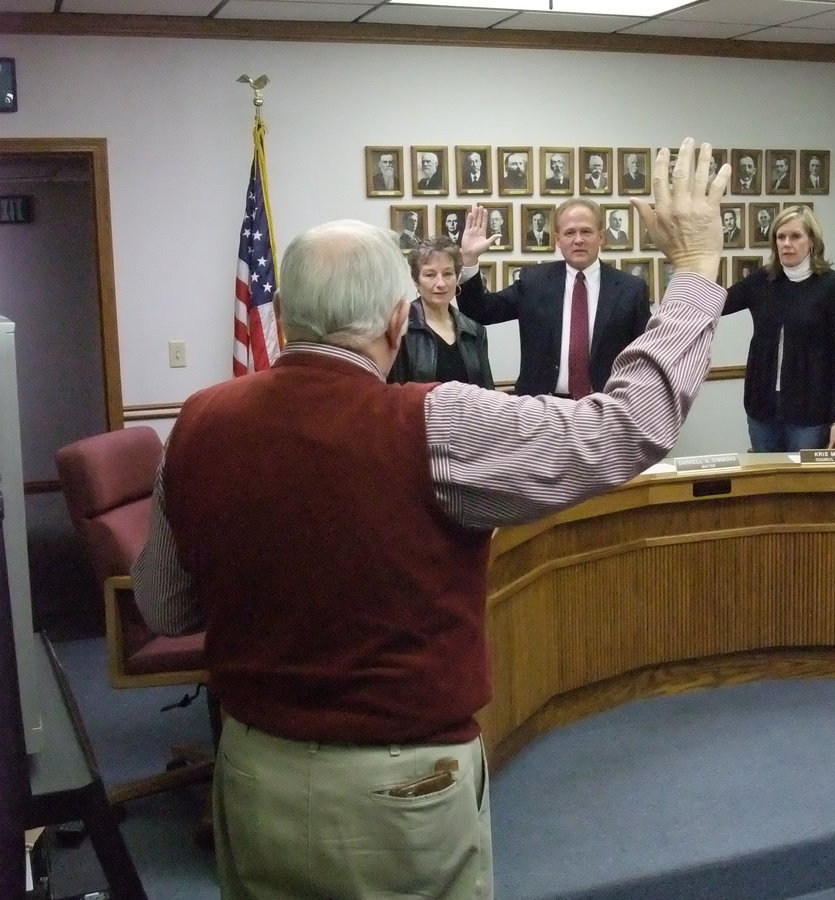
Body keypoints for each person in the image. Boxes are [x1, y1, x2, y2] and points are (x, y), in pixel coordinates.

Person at [132, 137, 730, 900]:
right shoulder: (437, 425)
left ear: (283, 314)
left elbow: (164, 605)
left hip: (252, 772)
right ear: (397, 320)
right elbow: (628, 427)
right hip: (400, 791)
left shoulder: (196, 422)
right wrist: (697, 270)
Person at [457, 197, 651, 397]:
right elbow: (479, 312)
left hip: (607, 408)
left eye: (586, 231)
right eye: (569, 233)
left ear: (601, 237)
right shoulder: (534, 282)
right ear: (558, 240)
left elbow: (645, 357)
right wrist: (469, 259)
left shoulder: (631, 289)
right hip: (543, 409)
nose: (578, 240)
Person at [722, 205, 835, 453]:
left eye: (795, 236)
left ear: (812, 241)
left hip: (808, 412)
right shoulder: (763, 280)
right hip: (762, 408)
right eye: (780, 237)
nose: (786, 243)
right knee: (764, 485)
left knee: (799, 488)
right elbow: (717, 304)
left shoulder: (832, 287)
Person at [389, 236, 494, 390]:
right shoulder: (400, 327)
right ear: (416, 281)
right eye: (430, 275)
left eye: (447, 274)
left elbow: (486, 393)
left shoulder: (475, 331)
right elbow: (393, 395)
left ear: (457, 278)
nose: (441, 283)